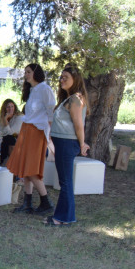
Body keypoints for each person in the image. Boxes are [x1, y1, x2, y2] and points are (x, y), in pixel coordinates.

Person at [5, 63, 56, 214]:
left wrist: (50, 135)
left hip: (37, 131)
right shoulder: (33, 90)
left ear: (36, 73)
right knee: (25, 168)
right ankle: (27, 203)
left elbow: (51, 111)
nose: (26, 74)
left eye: (28, 72)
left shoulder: (44, 89)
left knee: (32, 168)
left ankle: (46, 201)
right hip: (28, 130)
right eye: (25, 72)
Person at [46, 65, 90, 226]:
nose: (61, 80)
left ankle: (62, 217)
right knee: (65, 181)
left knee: (65, 182)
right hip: (61, 142)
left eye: (66, 77)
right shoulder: (69, 98)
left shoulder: (75, 99)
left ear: (75, 80)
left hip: (67, 143)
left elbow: (79, 125)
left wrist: (82, 143)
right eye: (61, 77)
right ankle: (65, 216)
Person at [0, 98, 23, 163]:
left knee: (8, 138)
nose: (10, 109)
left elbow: (11, 133)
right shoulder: (2, 116)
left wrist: (6, 120)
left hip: (18, 138)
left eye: (12, 106)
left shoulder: (19, 117)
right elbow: (1, 132)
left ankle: (0, 161)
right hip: (8, 138)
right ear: (4, 109)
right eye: (8, 107)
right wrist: (4, 119)